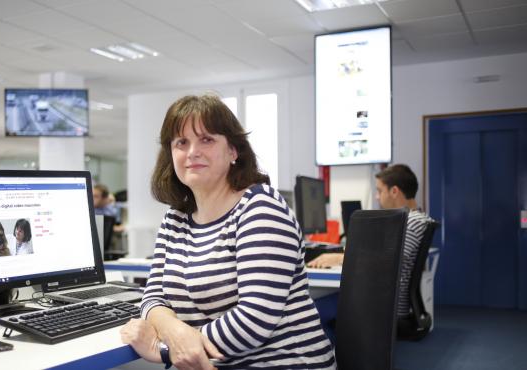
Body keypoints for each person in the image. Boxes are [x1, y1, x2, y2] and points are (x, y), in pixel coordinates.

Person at [120, 94, 335, 369]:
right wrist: (176, 331)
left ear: (233, 151)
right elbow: (152, 297)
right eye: (181, 142)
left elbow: (254, 319)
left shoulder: (259, 207)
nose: (192, 151)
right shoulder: (175, 219)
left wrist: (162, 349)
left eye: (206, 139)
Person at [307, 164, 432, 317]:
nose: (377, 197)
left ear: (394, 191)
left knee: (312, 311)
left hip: (386, 308)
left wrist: (339, 258)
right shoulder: (414, 219)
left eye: (379, 191)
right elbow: (381, 252)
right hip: (383, 300)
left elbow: (387, 259)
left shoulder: (411, 222)